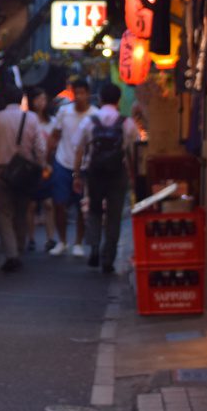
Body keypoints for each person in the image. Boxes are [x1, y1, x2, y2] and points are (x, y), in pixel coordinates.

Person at [73, 82, 139, 274]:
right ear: (118, 100)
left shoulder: (90, 121)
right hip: (118, 174)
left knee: (94, 211)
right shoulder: (127, 123)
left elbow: (79, 150)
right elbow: (132, 152)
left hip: (95, 173)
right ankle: (108, 257)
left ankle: (94, 248)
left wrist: (76, 175)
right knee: (114, 216)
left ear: (100, 99)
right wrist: (134, 177)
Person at [0, 83, 47, 272]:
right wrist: (41, 167)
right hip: (25, 172)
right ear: (21, 100)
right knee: (21, 211)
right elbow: (40, 148)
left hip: (2, 171)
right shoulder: (32, 118)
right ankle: (19, 248)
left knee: (3, 213)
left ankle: (11, 254)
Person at [47, 78, 98, 257]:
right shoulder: (64, 112)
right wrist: (47, 159)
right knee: (59, 203)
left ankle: (78, 242)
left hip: (84, 166)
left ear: (88, 94)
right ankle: (62, 241)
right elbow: (55, 135)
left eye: (82, 93)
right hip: (62, 162)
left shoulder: (95, 114)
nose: (79, 96)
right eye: (76, 93)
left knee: (80, 206)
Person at [25, 86, 56, 252]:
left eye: (43, 99)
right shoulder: (27, 119)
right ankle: (30, 238)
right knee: (30, 205)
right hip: (30, 167)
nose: (41, 102)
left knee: (48, 203)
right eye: (37, 99)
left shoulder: (52, 122)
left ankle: (51, 238)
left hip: (47, 166)